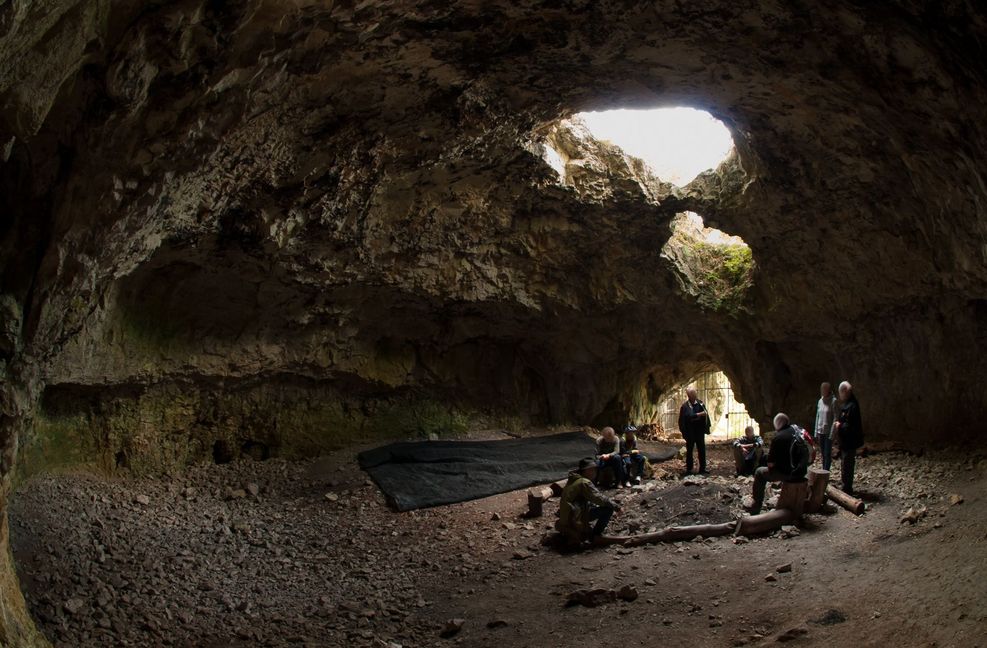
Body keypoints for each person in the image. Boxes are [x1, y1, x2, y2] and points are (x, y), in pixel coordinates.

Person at [749, 413, 810, 514]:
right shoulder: (798, 429)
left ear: (776, 424)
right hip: (803, 470)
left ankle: (756, 507)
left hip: (791, 474)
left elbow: (770, 464)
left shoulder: (778, 438)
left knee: (759, 472)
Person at [556, 457, 621, 546]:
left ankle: (583, 530)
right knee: (608, 509)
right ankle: (595, 536)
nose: (594, 472)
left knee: (593, 505)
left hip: (567, 515)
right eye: (592, 470)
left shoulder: (573, 480)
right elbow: (599, 498)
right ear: (587, 470)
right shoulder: (584, 482)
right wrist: (616, 506)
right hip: (574, 517)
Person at [833, 381, 863, 495]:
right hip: (846, 441)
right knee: (845, 463)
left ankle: (847, 488)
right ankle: (845, 485)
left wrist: (839, 425)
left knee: (848, 464)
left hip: (850, 441)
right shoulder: (849, 404)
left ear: (845, 392)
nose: (840, 395)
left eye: (840, 393)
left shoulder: (852, 406)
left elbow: (851, 425)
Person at [678, 387, 711, 474]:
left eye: (695, 393)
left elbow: (705, 414)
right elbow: (688, 416)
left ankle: (702, 468)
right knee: (689, 451)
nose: (694, 395)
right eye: (693, 394)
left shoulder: (700, 403)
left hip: (699, 431)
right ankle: (689, 469)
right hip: (690, 432)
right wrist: (699, 415)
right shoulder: (685, 406)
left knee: (702, 450)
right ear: (689, 395)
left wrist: (696, 417)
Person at [814, 382, 838, 471]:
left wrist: (832, 433)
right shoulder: (820, 401)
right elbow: (817, 416)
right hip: (821, 431)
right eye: (821, 389)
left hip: (828, 431)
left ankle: (826, 471)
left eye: (824, 389)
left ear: (828, 390)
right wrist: (816, 431)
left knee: (827, 453)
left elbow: (835, 417)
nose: (822, 391)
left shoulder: (833, 401)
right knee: (823, 453)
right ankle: (823, 470)